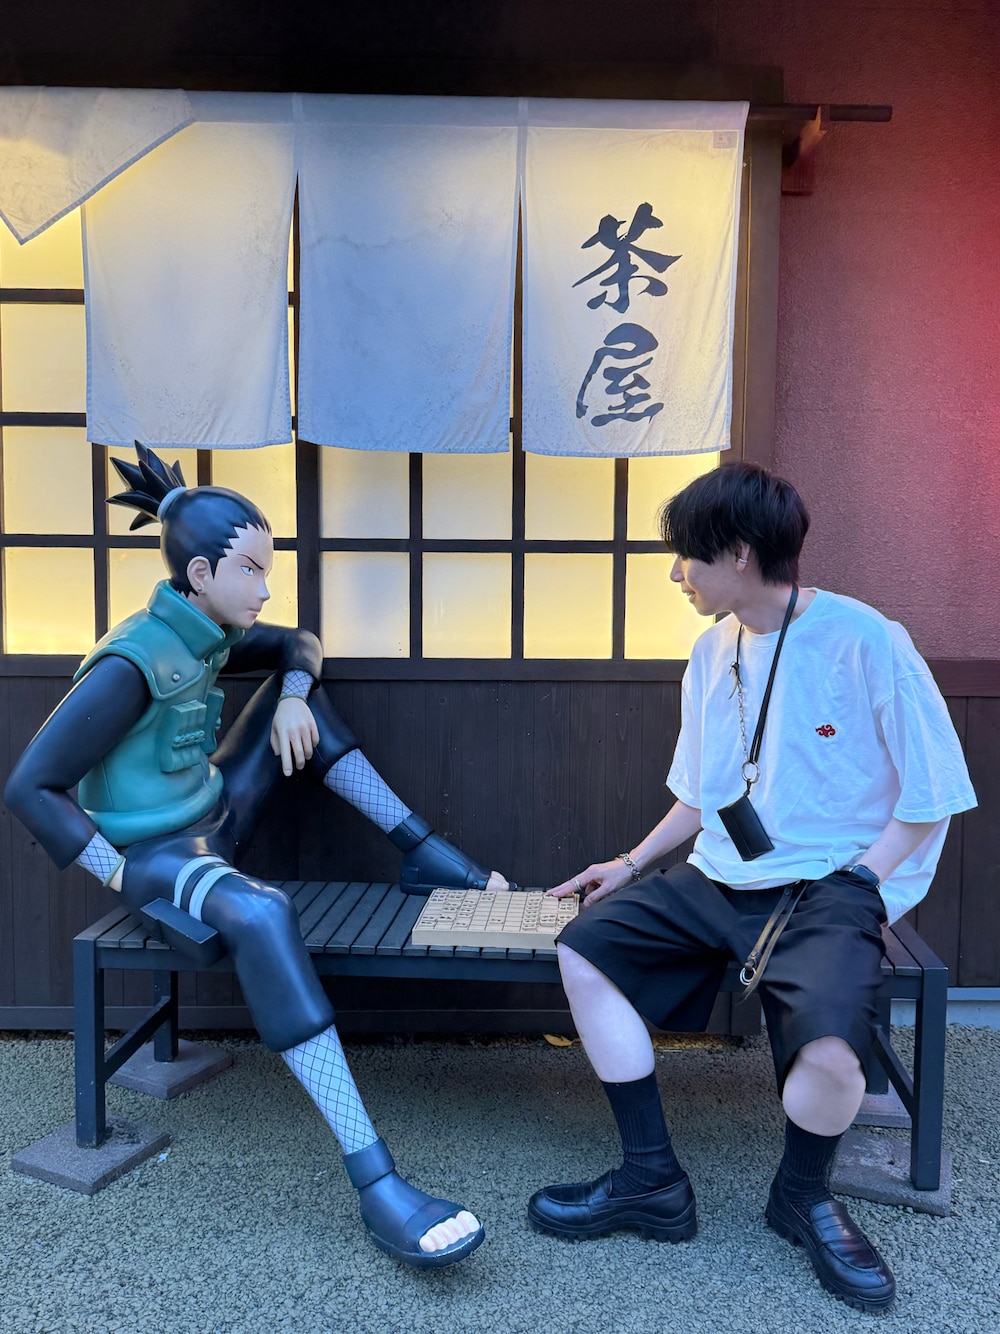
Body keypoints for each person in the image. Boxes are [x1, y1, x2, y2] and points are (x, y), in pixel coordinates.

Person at [5, 443, 509, 1270]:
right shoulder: (131, 662)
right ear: (201, 573)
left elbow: (299, 644)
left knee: (296, 703)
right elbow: (30, 786)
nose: (265, 589)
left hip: (215, 813)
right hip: (154, 856)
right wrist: (120, 875)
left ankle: (425, 855)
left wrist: (294, 698)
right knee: (265, 912)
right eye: (251, 571)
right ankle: (376, 1177)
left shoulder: (207, 630)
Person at [528, 461, 975, 1313]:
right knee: (585, 949)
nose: (676, 575)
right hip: (720, 876)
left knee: (834, 1058)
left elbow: (934, 794)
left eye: (687, 557)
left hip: (831, 885)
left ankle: (803, 1195)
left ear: (738, 554)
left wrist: (863, 881)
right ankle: (651, 1180)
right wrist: (629, 863)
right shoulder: (712, 650)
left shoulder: (868, 639)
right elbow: (702, 796)